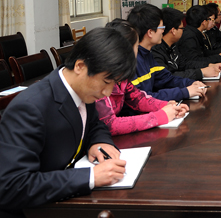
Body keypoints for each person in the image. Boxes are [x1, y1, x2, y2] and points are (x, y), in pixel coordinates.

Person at [0, 28, 134, 217]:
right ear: (80, 66)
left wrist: (99, 142)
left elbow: (94, 125)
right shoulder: (29, 108)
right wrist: (90, 177)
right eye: (106, 82)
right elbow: (12, 186)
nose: (107, 93)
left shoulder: (82, 91)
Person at [96, 19, 189, 136]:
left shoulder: (121, 77)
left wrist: (167, 106)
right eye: (137, 45)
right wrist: (160, 116)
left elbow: (138, 99)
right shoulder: (99, 79)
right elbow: (110, 125)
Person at [127, 3, 206, 104]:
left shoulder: (148, 55)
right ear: (150, 32)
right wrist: (184, 92)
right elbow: (141, 100)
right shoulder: (131, 61)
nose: (163, 31)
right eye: (161, 27)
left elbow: (167, 79)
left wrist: (191, 83)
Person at [152, 8, 221, 80]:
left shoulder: (173, 46)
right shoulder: (156, 51)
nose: (183, 31)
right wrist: (201, 72)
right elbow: (166, 78)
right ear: (173, 31)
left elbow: (185, 64)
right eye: (182, 28)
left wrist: (209, 65)